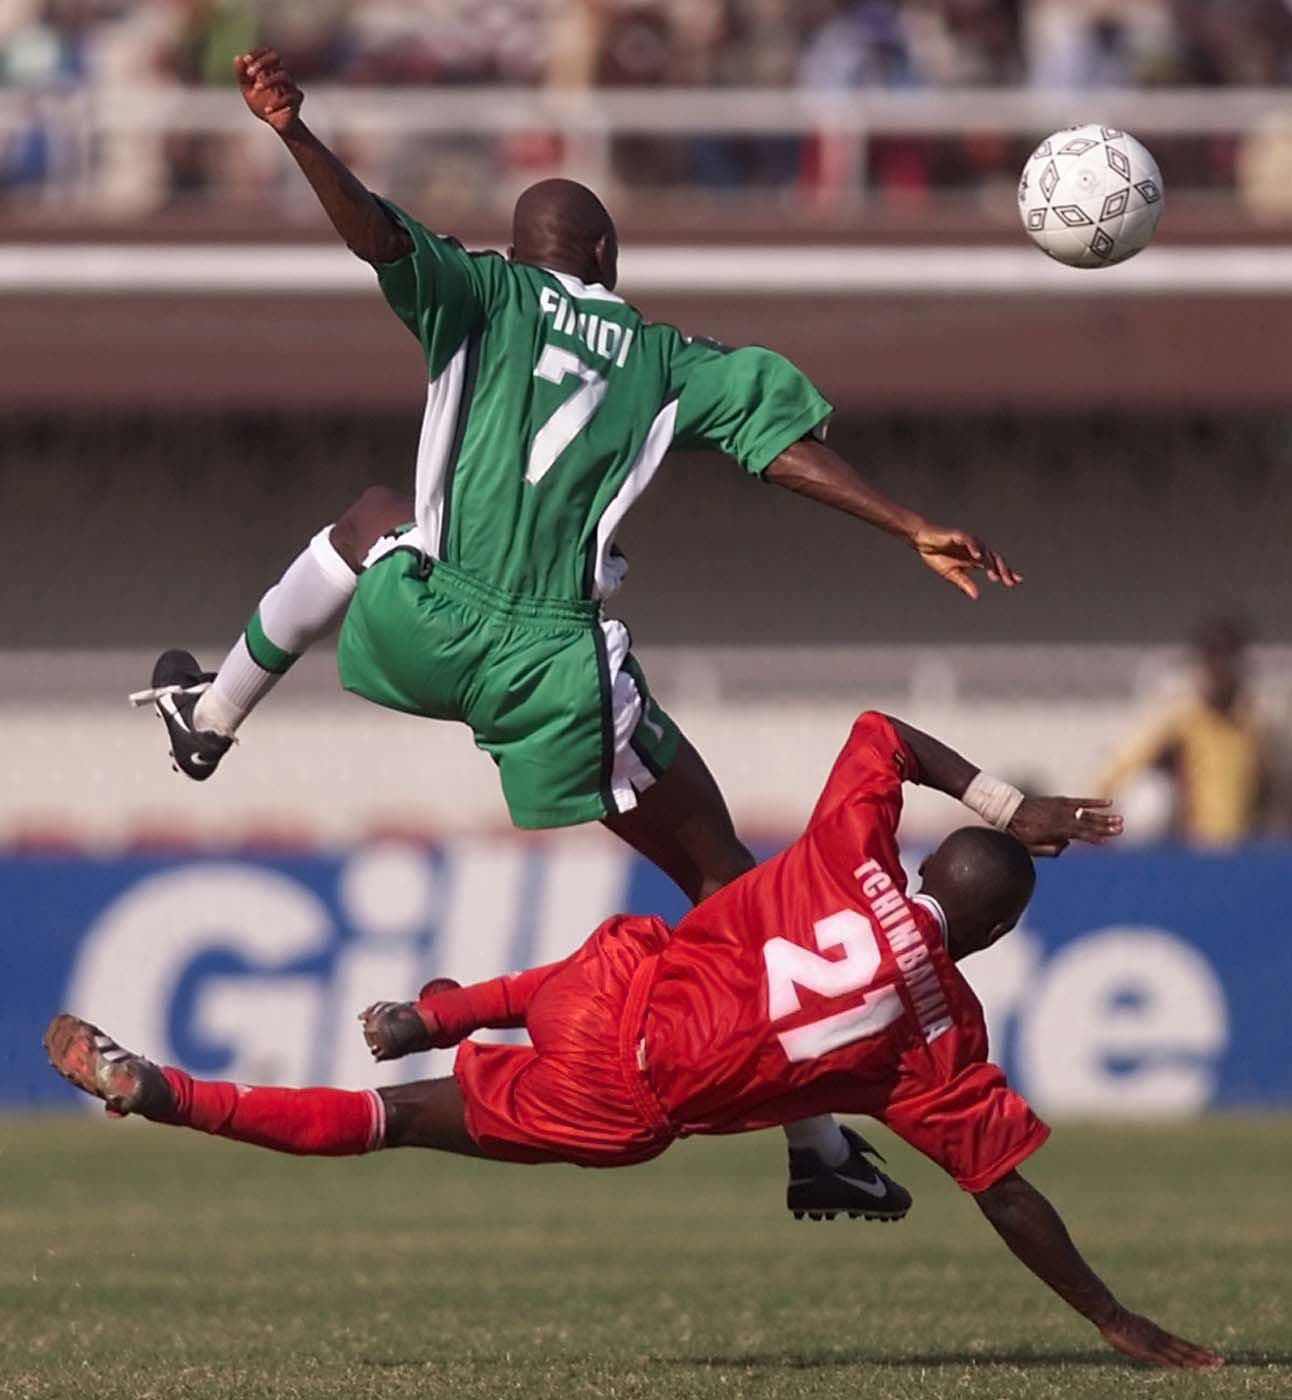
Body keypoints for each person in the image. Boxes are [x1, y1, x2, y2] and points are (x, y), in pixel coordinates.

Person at [129, 46, 1020, 1214]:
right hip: (551, 668)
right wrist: (907, 522)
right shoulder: (660, 358)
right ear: (608, 257)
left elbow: (375, 234)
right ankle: (817, 1151)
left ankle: (212, 716)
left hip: (426, 625)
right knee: (722, 880)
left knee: (368, 521)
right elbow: (777, 448)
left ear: (518, 251)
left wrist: (297, 135)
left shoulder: (479, 290)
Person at [46, 712, 1219, 1370]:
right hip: (621, 1106)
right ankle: (182, 1095)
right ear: (999, 930)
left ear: (921, 867)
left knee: (639, 954)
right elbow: (1005, 1194)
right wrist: (1115, 1319)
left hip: (606, 995)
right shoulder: (934, 1043)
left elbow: (880, 733)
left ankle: (444, 1011)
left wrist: (1007, 804)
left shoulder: (844, 859)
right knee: (393, 1122)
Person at [1098, 617, 1268, 846]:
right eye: (1214, 659)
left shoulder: (1250, 727)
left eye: (1229, 659)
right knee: (1149, 798)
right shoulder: (1180, 721)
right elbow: (1118, 770)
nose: (1222, 669)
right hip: (1189, 851)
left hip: (1238, 849)